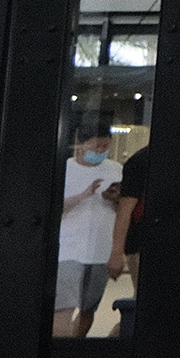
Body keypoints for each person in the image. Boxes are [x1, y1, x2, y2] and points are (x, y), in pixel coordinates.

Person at [53, 123, 122, 338]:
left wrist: (115, 199)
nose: (100, 151)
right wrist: (83, 195)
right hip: (68, 250)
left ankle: (76, 344)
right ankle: (60, 346)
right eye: (96, 147)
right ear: (80, 144)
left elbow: (125, 209)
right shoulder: (64, 169)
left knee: (88, 308)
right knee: (63, 307)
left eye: (105, 147)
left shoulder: (116, 169)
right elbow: (53, 209)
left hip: (101, 250)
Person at [106, 137, 151, 336]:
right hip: (141, 245)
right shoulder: (140, 162)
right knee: (145, 304)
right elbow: (125, 211)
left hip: (168, 242)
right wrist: (117, 253)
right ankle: (119, 341)